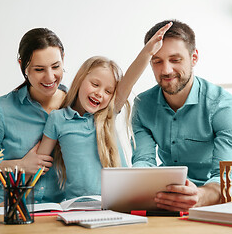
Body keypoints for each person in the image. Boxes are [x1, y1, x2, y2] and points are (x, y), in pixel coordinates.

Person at [37, 23, 173, 200]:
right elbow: (40, 163)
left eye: (108, 91)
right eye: (95, 84)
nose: (100, 94)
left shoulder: (108, 114)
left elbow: (129, 79)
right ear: (80, 80)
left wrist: (148, 52)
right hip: (77, 205)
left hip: (120, 200)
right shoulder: (58, 119)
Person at [131, 20, 232, 211]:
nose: (166, 70)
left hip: (213, 202)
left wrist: (199, 196)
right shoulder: (143, 105)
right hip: (164, 200)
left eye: (175, 60)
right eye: (157, 61)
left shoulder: (223, 105)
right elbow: (144, 162)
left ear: (194, 58)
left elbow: (227, 178)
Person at [0, 28, 67, 206]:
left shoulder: (76, 106)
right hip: (8, 213)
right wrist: (19, 166)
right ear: (22, 65)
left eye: (56, 66)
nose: (50, 77)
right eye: (39, 69)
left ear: (63, 59)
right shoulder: (2, 110)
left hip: (61, 214)